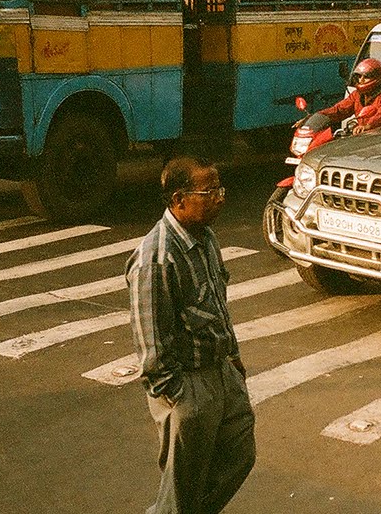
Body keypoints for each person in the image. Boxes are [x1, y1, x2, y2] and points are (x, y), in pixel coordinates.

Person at [126, 156, 256, 514]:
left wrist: (232, 358)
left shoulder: (206, 237)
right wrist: (176, 395)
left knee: (240, 453)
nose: (219, 198)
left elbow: (217, 301)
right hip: (188, 386)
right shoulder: (156, 257)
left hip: (222, 373)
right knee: (181, 491)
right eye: (209, 191)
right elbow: (150, 340)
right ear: (179, 200)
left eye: (219, 189)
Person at [318, 57, 381, 135]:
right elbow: (340, 109)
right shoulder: (357, 94)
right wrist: (319, 117)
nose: (361, 80)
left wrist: (368, 126)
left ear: (376, 77)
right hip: (362, 134)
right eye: (359, 76)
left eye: (366, 77)